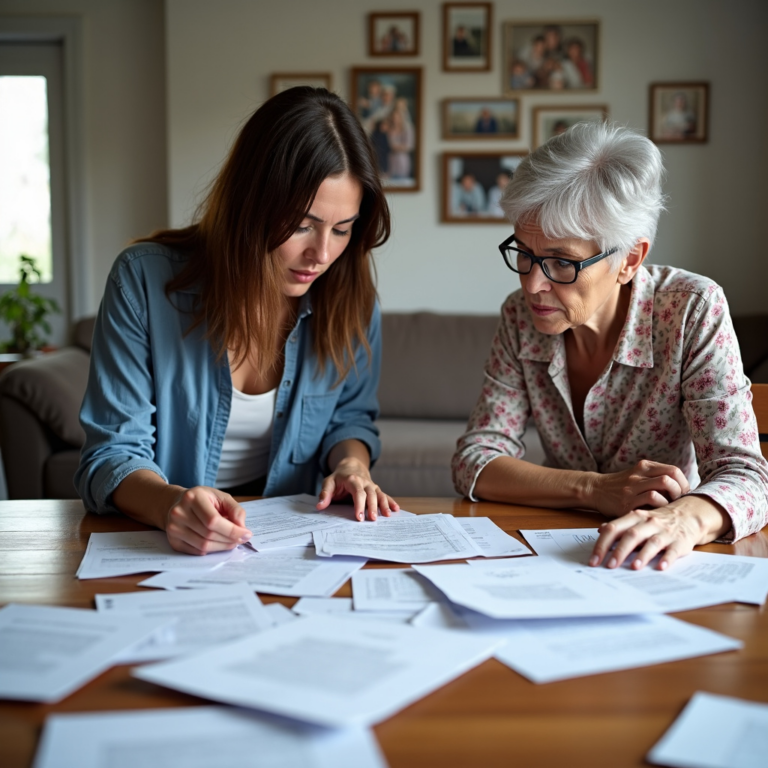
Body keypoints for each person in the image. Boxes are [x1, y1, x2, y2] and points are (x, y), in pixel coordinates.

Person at [76, 87, 399, 555]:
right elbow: (111, 454)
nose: (322, 254)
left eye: (343, 229)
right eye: (303, 225)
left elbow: (350, 419)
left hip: (291, 544)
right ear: (253, 204)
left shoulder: (352, 298)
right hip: (165, 544)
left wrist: (352, 466)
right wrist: (171, 506)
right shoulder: (142, 280)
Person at [452, 122, 768, 571]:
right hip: (553, 552)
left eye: (561, 262)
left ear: (629, 260)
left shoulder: (690, 310)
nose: (533, 284)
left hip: (659, 553)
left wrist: (682, 521)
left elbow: (748, 476)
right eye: (524, 253)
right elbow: (474, 461)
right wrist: (594, 489)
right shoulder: (520, 317)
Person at [387, 98, 415, 181]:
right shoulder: (388, 128)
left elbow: (409, 146)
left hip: (402, 162)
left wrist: (395, 147)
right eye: (394, 117)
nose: (395, 119)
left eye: (397, 117)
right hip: (389, 162)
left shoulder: (408, 128)